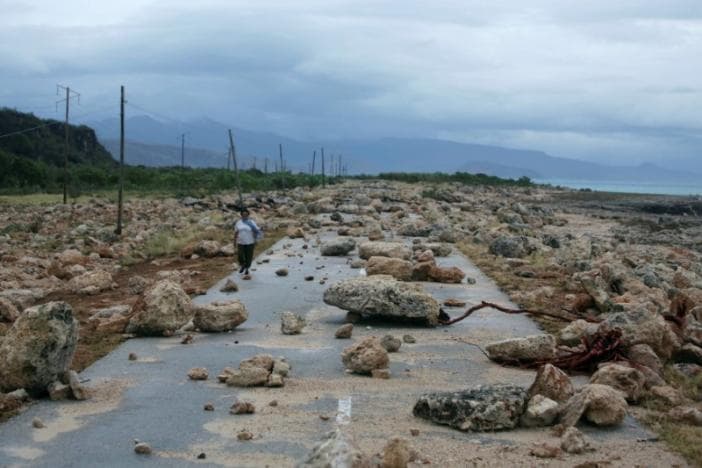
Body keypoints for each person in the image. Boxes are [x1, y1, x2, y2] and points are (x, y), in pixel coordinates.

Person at [234, 208, 262, 276]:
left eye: (246, 215)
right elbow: (236, 232)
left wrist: (256, 240)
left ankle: (247, 268)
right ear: (241, 215)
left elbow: (256, 231)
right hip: (240, 242)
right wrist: (234, 241)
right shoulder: (238, 222)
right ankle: (242, 265)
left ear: (248, 215)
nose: (244, 216)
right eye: (243, 215)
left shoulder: (251, 222)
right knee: (240, 255)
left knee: (248, 256)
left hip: (250, 242)